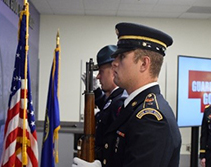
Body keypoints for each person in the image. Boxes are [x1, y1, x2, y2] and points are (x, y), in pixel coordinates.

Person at [73, 22, 181, 167]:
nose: (114, 63)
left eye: (122, 57)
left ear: (144, 64)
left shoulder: (151, 119)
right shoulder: (133, 108)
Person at [81, 45, 128, 163]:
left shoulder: (120, 101)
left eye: (101, 72)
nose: (98, 76)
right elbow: (107, 105)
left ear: (113, 71)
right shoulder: (114, 98)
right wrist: (96, 91)